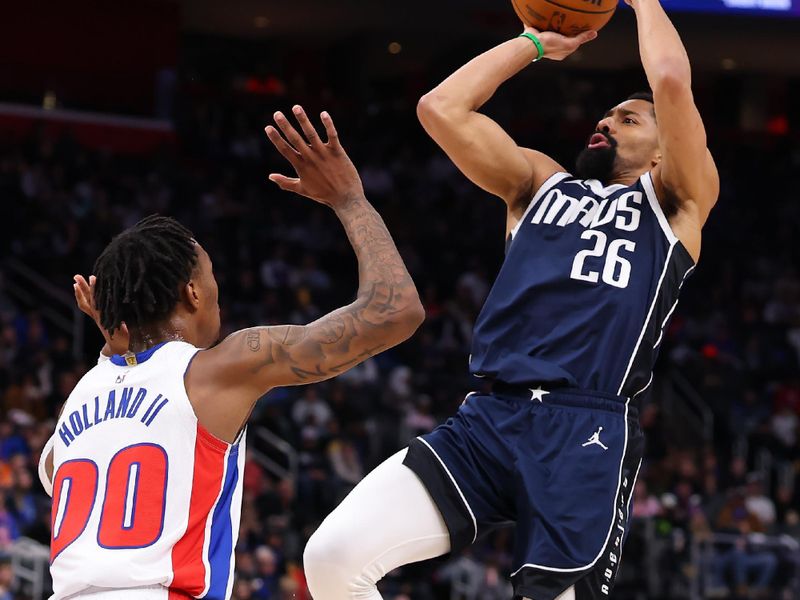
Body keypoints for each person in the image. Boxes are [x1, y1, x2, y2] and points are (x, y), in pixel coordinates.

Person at [302, 2, 719, 599]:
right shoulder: (539, 183)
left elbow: (672, 81)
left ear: (662, 152)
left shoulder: (677, 204)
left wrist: (644, 2)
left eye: (627, 119)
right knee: (333, 557)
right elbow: (439, 109)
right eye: (605, 115)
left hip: (586, 430)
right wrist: (534, 43)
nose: (605, 122)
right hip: (489, 419)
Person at [38, 107, 424, 600]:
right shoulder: (221, 367)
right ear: (192, 293)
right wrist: (350, 200)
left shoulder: (81, 394)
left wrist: (110, 354)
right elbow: (396, 313)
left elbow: (63, 474)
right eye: (211, 276)